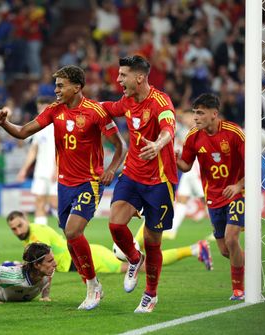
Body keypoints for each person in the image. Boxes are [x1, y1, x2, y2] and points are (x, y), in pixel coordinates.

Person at [0, 65, 127, 310]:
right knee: (70, 237)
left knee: (74, 231)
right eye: (55, 85)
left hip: (89, 182)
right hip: (64, 184)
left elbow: (120, 146)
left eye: (60, 85)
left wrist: (111, 170)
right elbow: (23, 132)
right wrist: (4, 124)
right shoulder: (54, 111)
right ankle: (92, 282)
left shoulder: (95, 112)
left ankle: (92, 286)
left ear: (77, 87)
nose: (56, 90)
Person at [101, 55, 178, 313]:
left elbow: (169, 127)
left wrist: (158, 144)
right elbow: (107, 108)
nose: (118, 79)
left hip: (159, 182)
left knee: (152, 240)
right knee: (115, 223)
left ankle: (151, 294)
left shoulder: (160, 101)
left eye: (122, 75)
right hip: (133, 174)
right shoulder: (127, 101)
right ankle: (134, 258)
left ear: (139, 77)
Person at [176, 93, 245, 301]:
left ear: (214, 114)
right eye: (195, 113)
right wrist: (176, 159)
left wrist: (238, 185)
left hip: (237, 194)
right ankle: (248, 267)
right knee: (225, 250)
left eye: (200, 113)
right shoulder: (193, 136)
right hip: (213, 198)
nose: (195, 117)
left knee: (232, 238)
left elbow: (252, 164)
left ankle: (238, 290)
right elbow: (186, 166)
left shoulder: (234, 133)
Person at [6, 210, 212, 274]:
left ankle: (194, 249)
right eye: (14, 229)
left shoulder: (37, 233)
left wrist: (17, 267)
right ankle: (143, 230)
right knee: (137, 259)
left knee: (142, 266)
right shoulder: (32, 235)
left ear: (26, 219)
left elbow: (41, 262)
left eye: (19, 225)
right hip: (85, 257)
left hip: (90, 259)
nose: (17, 230)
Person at [164, 109, 205, 240]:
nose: (185, 120)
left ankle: (220, 229)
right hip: (188, 172)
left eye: (188, 117)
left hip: (197, 170)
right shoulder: (183, 131)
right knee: (181, 199)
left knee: (207, 200)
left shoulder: (199, 132)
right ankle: (172, 231)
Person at [16, 97, 58, 225]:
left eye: (44, 107)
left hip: (56, 171)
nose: (41, 110)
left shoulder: (57, 125)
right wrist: (24, 169)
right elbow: (33, 151)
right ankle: (42, 240)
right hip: (41, 171)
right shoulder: (37, 127)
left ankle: (69, 235)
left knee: (55, 203)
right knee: (39, 201)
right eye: (40, 107)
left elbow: (62, 149)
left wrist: (57, 169)